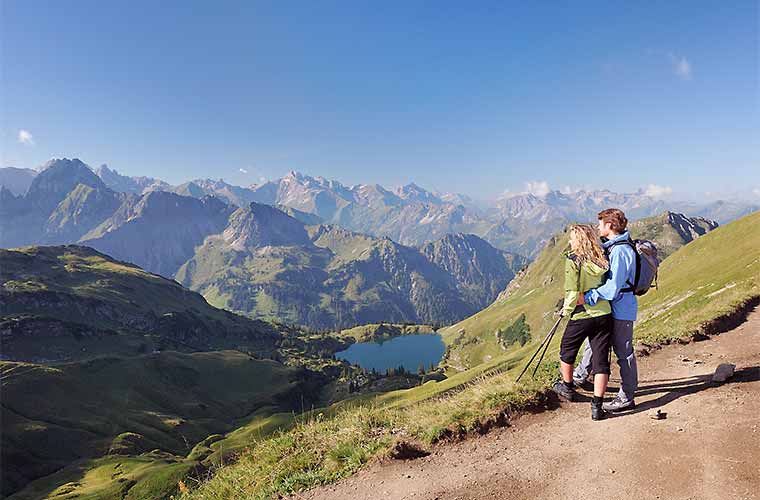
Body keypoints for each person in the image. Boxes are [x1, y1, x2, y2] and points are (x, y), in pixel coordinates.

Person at [573, 208, 639, 412]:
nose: (598, 227)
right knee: (597, 341)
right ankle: (581, 374)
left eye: (600, 224)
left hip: (621, 308)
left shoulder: (620, 251)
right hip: (614, 307)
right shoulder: (614, 247)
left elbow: (612, 289)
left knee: (623, 351)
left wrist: (589, 296)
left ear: (609, 226)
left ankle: (627, 396)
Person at [552, 224, 613, 421]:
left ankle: (567, 387)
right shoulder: (602, 259)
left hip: (581, 314)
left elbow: (572, 291)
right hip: (604, 313)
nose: (569, 241)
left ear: (578, 240)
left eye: (571, 238)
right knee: (600, 360)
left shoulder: (573, 260)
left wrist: (565, 311)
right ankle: (597, 406)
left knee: (567, 350)